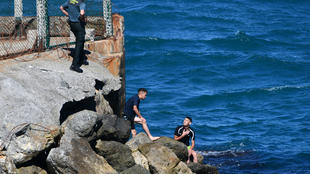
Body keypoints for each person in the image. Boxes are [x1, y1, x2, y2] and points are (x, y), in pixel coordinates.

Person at [60, 0, 89, 73]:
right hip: (79, 24)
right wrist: (82, 18)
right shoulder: (82, 3)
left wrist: (68, 15)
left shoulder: (69, 1)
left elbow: (61, 8)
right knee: (79, 43)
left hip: (72, 24)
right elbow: (82, 13)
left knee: (80, 41)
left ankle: (81, 58)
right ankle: (74, 65)